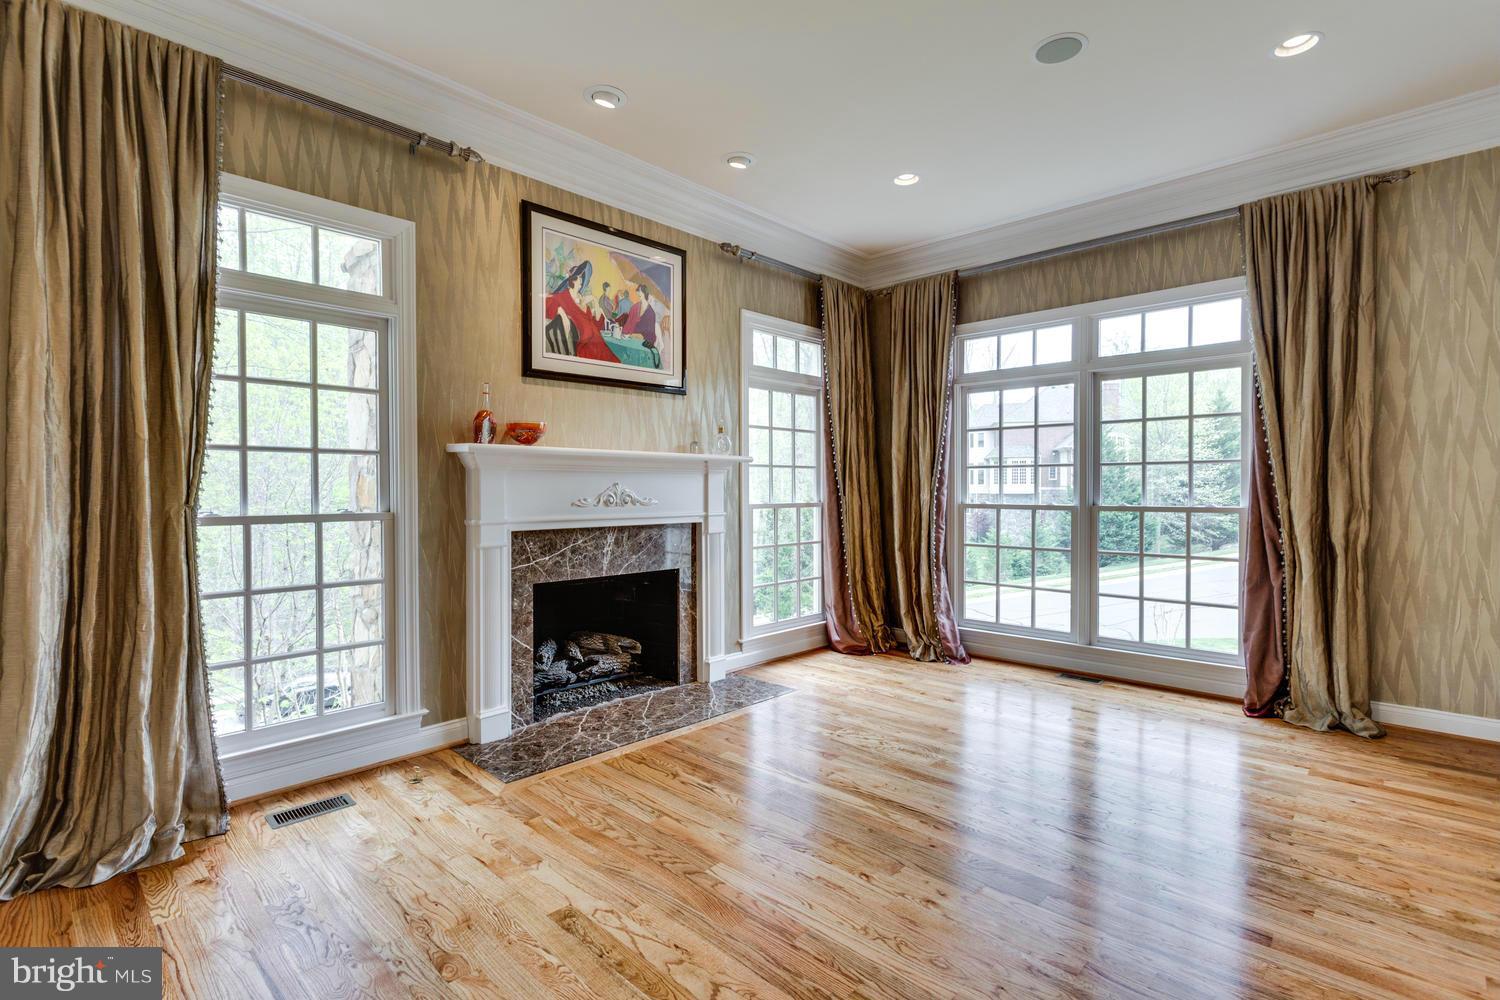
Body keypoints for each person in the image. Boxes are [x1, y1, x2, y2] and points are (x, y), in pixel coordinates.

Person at [544, 261, 616, 363]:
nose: (582, 280)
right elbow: (546, 301)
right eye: (579, 277)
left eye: (582, 277)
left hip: (598, 343)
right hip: (585, 346)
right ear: (572, 280)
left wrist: (594, 300)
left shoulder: (582, 298)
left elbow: (597, 320)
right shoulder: (564, 296)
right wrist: (561, 312)